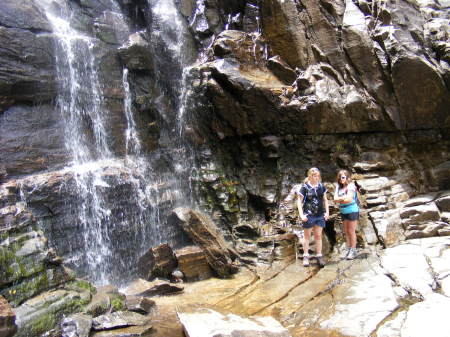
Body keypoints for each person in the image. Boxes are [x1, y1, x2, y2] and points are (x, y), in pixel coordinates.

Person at [296, 167, 329, 267]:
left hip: (320, 215)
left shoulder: (321, 187)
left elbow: (325, 200)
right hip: (308, 215)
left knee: (318, 236)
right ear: (309, 176)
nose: (316, 177)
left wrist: (327, 212)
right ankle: (306, 256)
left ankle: (319, 256)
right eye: (314, 176)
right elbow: (299, 201)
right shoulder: (305, 187)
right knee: (307, 236)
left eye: (317, 176)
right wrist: (301, 214)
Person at [334, 169, 359, 260]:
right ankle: (348, 248)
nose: (341, 179)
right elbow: (335, 198)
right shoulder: (338, 187)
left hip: (352, 210)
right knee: (346, 231)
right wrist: (344, 198)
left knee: (351, 231)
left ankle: (353, 250)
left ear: (347, 177)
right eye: (340, 178)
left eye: (343, 177)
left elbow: (349, 199)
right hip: (343, 211)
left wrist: (340, 199)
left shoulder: (351, 186)